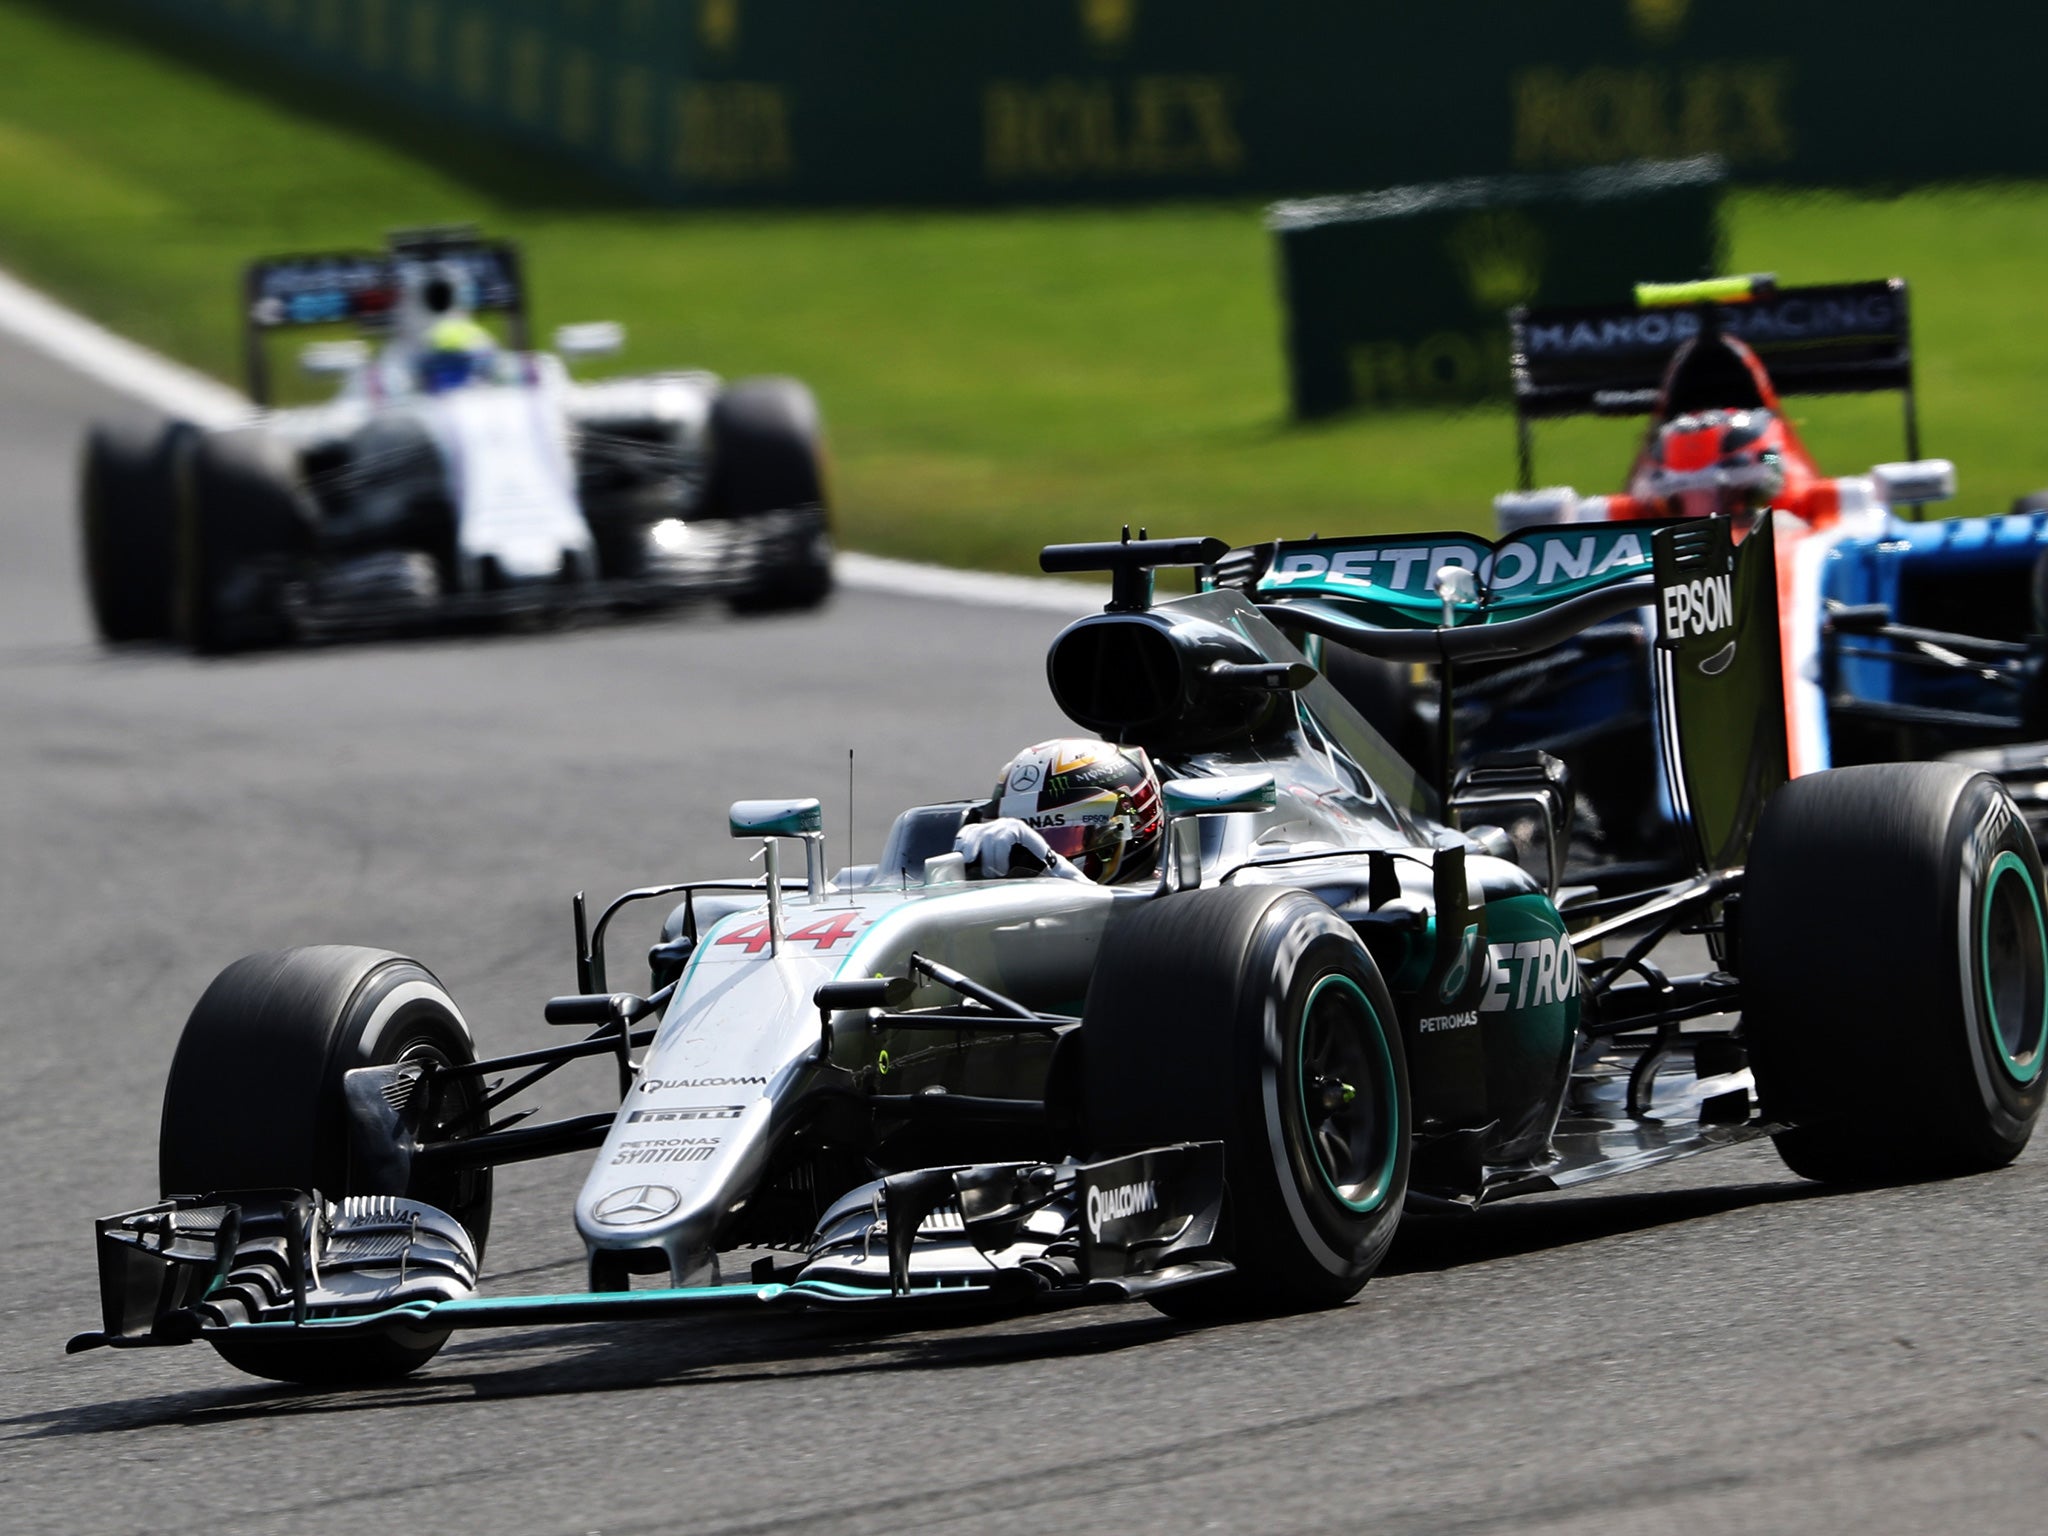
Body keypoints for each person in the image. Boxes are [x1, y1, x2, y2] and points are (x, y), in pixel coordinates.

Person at [954, 737, 1164, 884]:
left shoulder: (1177, 917)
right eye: (1021, 851)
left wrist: (1053, 861)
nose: (1032, 864)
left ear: (1135, 823)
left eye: (1063, 837)